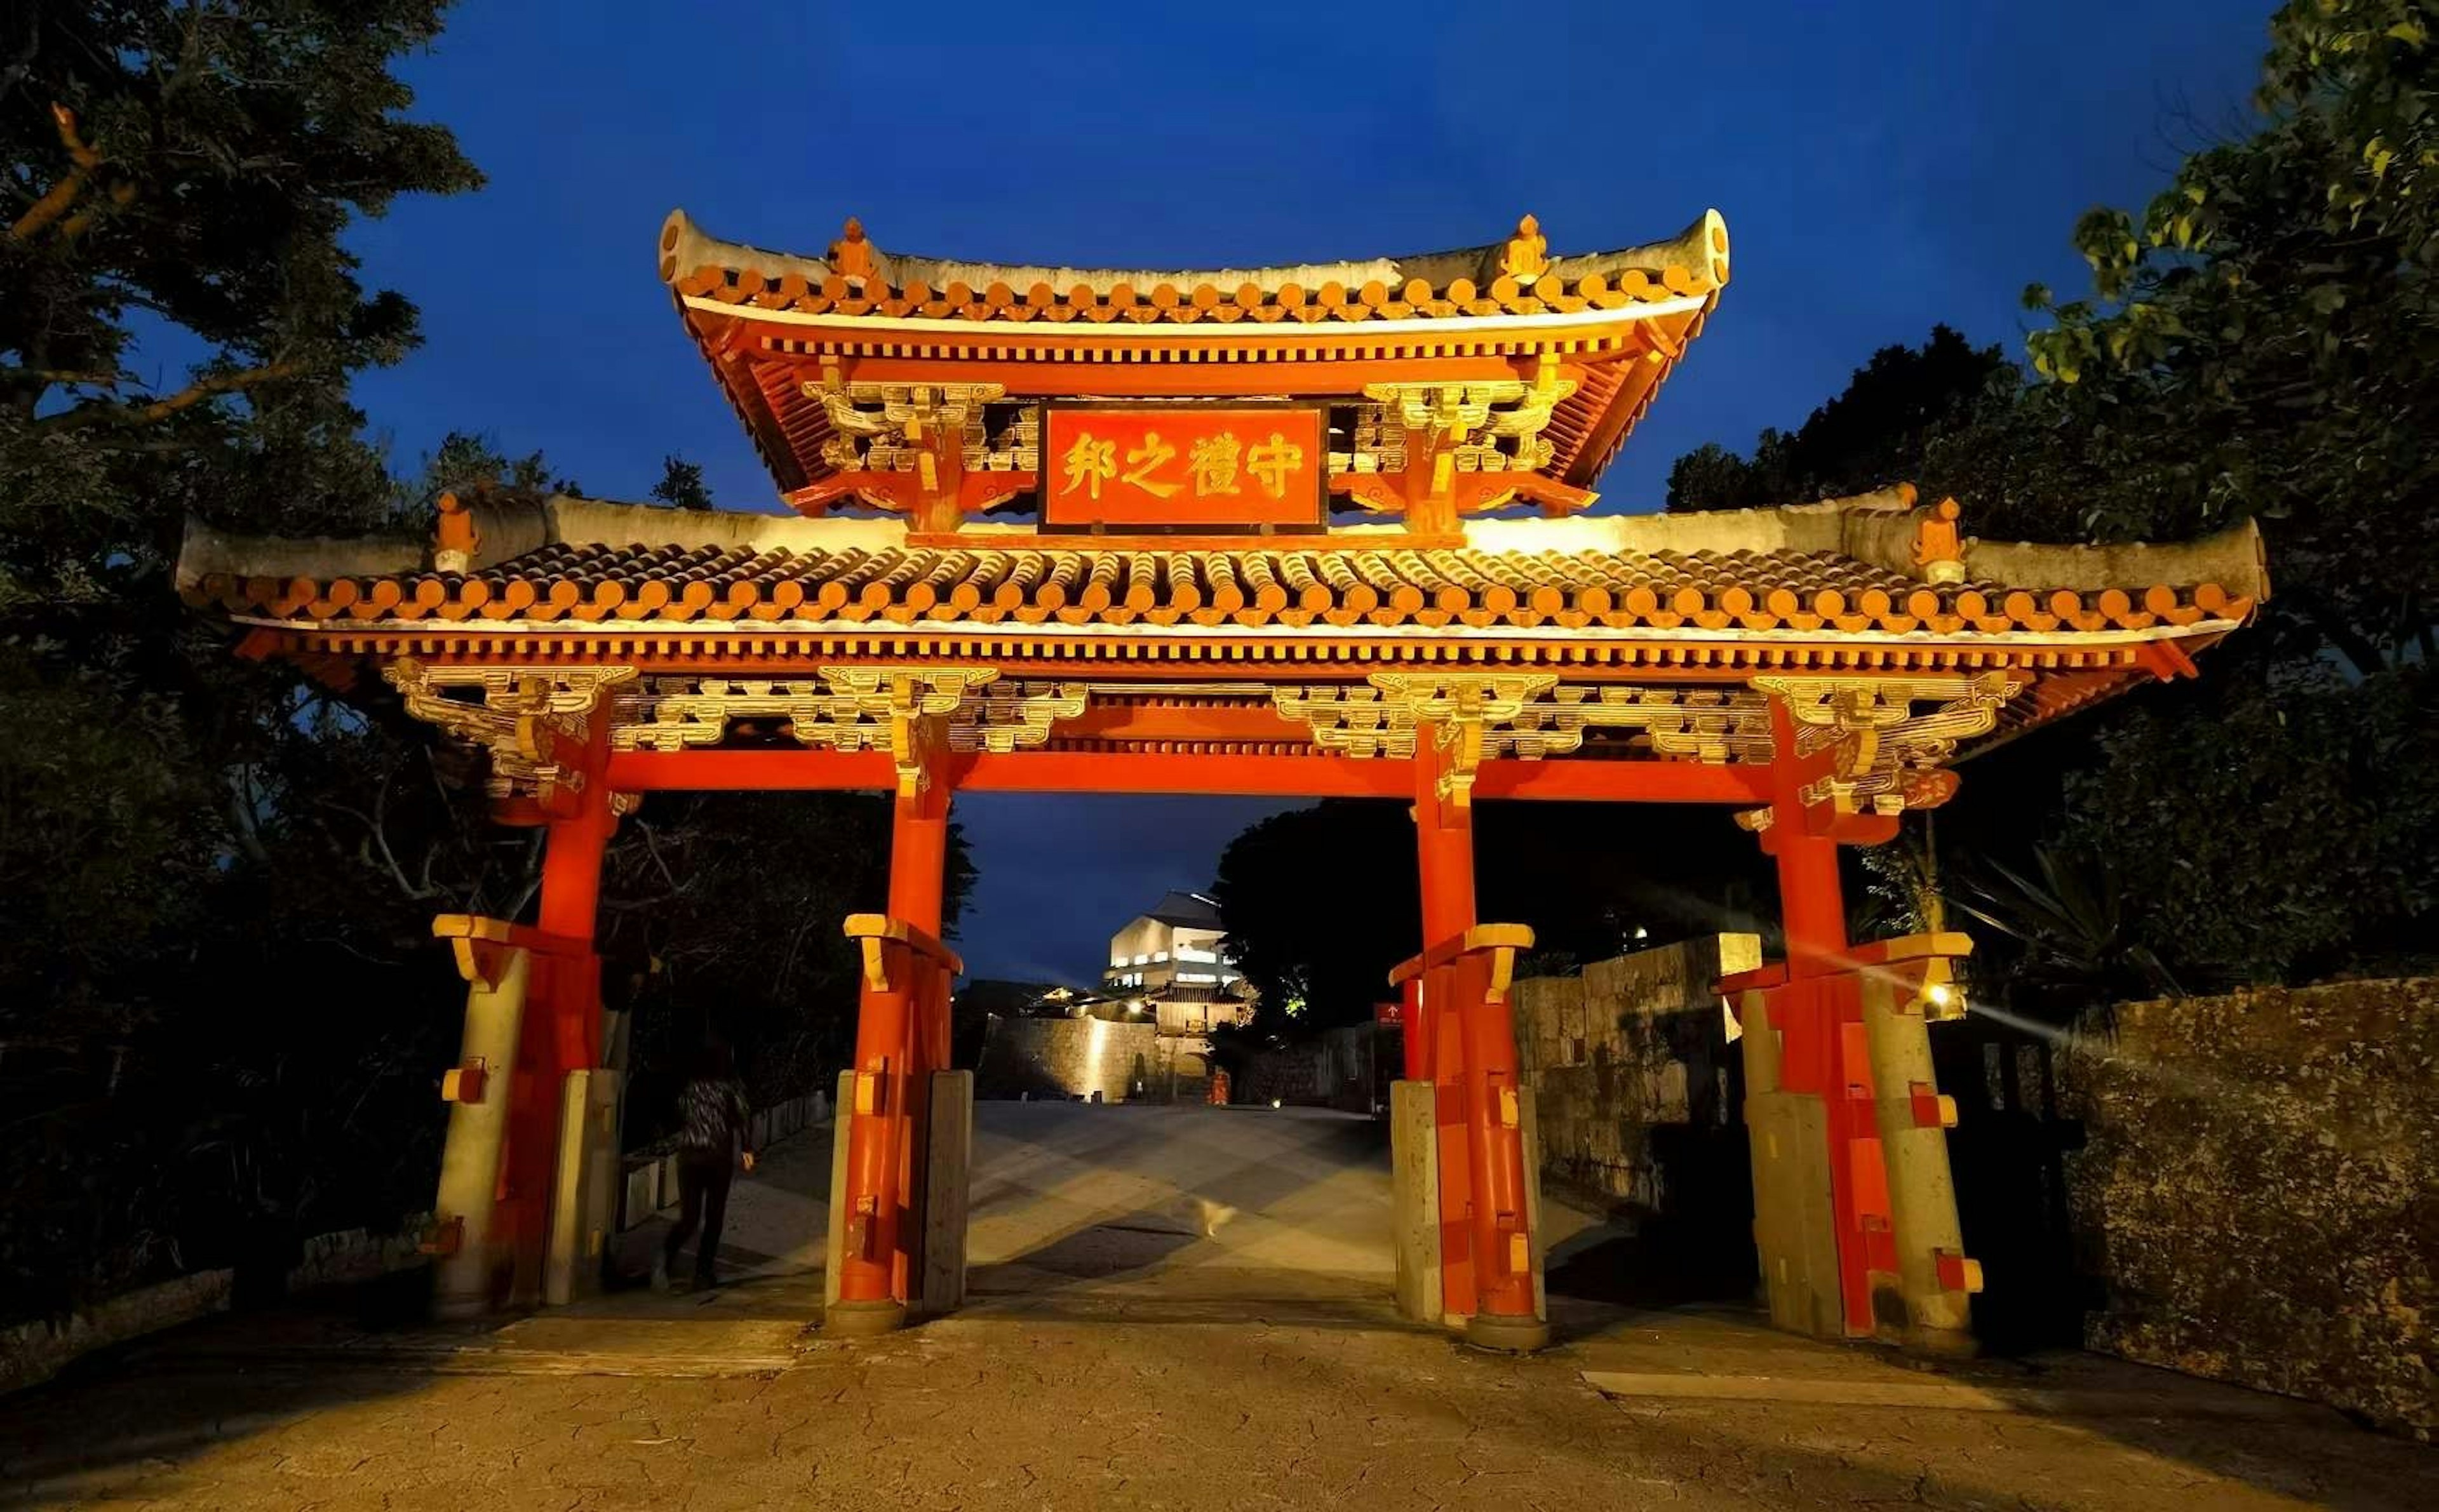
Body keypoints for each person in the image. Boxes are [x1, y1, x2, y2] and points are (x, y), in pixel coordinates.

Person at [655, 1040, 755, 1292]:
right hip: (718, 1158)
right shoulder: (731, 1085)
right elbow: (744, 1117)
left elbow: (675, 1115)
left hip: (689, 1156)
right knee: (714, 1217)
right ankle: (703, 1272)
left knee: (689, 1217)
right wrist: (746, 1148)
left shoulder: (690, 1087)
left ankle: (665, 1259)